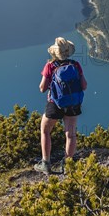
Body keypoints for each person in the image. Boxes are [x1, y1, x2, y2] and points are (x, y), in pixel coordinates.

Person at [34, 37, 87, 174]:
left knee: (45, 130)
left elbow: (42, 88)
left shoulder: (50, 66)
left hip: (55, 104)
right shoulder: (75, 65)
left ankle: (46, 164)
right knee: (71, 134)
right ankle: (68, 165)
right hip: (73, 104)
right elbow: (84, 86)